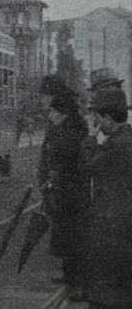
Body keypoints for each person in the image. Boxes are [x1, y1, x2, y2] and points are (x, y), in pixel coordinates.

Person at [80, 88, 132, 309]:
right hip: (120, 218)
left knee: (107, 284)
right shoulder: (125, 139)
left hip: (112, 222)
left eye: (97, 118)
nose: (96, 122)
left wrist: (91, 139)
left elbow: (88, 167)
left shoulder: (117, 145)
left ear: (108, 119)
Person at [40, 94, 88, 300]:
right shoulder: (64, 129)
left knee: (72, 236)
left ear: (62, 113)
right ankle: (69, 276)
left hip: (71, 192)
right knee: (65, 234)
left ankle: (77, 282)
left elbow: (64, 158)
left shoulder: (71, 131)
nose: (49, 114)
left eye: (52, 111)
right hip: (64, 190)